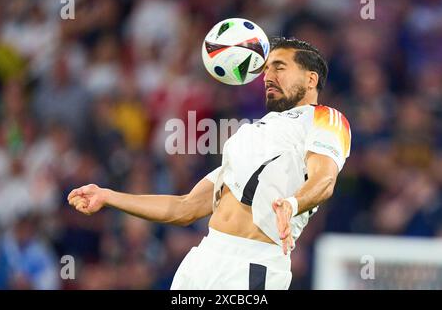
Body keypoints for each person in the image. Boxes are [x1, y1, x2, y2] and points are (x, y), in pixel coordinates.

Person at [68, 37, 351, 290]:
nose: (267, 76)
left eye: (279, 67)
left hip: (253, 264)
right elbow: (185, 207)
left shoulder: (325, 119)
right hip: (203, 257)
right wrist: (108, 196)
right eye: (265, 69)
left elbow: (324, 178)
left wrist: (292, 203)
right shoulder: (249, 133)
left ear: (311, 79)